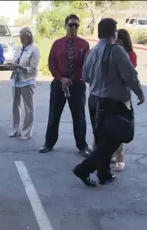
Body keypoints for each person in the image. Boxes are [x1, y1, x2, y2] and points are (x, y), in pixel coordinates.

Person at [73, 18, 145, 187]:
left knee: (101, 139)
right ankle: (83, 169)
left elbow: (87, 76)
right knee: (114, 140)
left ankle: (104, 174)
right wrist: (140, 93)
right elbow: (130, 75)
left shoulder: (92, 51)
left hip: (94, 100)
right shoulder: (117, 51)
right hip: (112, 103)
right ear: (114, 31)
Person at [39, 14, 91, 157]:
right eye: (71, 25)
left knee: (79, 117)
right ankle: (48, 143)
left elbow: (85, 66)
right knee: (54, 115)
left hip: (77, 85)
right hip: (58, 85)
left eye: (76, 25)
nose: (73, 28)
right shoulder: (57, 44)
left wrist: (72, 80)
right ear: (65, 26)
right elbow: (51, 63)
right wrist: (61, 78)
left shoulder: (84, 45)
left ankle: (82, 146)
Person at [91, 28, 137, 172]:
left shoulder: (130, 55)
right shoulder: (108, 52)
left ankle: (120, 158)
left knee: (119, 129)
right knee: (103, 128)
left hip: (122, 98)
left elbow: (128, 76)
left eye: (120, 41)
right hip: (106, 96)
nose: (116, 43)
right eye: (116, 40)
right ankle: (105, 155)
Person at [9, 27, 40, 140]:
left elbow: (33, 70)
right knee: (15, 106)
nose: (22, 40)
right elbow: (14, 62)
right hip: (15, 80)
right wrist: (11, 66)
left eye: (24, 38)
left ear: (29, 37)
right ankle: (15, 129)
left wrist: (21, 67)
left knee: (28, 107)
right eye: (21, 37)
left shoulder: (34, 50)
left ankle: (26, 132)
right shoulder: (18, 49)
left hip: (27, 81)